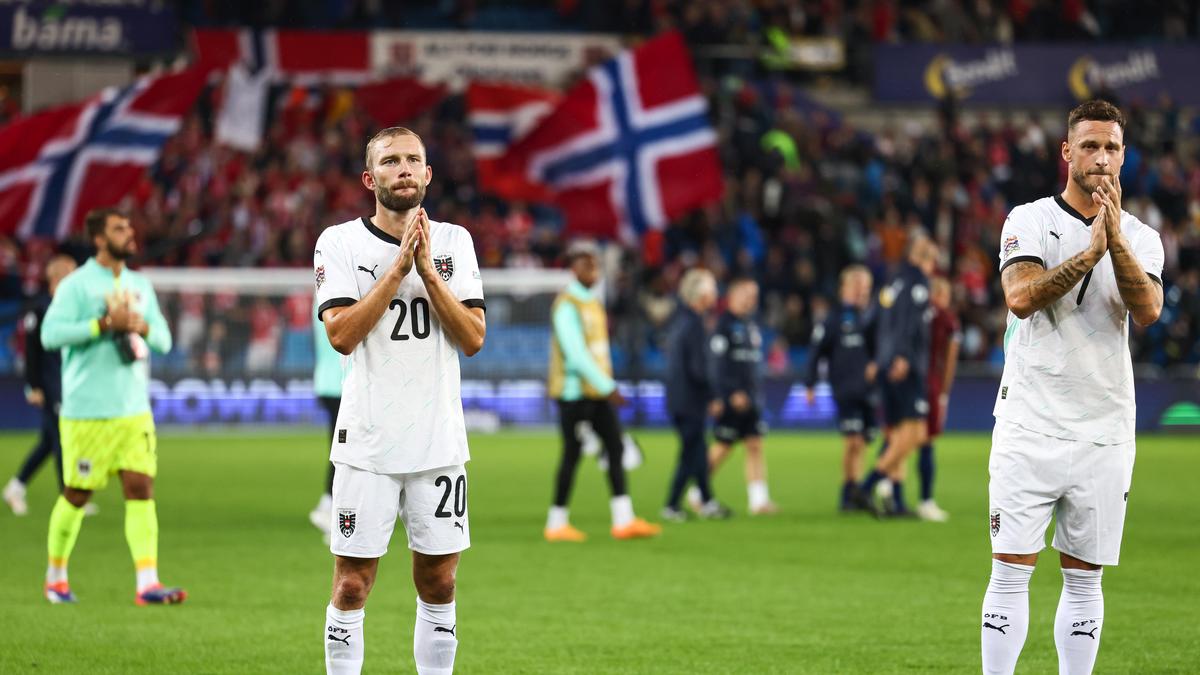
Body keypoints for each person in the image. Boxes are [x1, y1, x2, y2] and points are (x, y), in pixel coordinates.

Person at [980, 100, 1163, 675]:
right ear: (1067, 151)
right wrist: (1087, 255)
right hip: (1029, 421)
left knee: (1084, 578)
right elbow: (1021, 296)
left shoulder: (1143, 237)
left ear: (1124, 155)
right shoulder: (1028, 220)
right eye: (1089, 145)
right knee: (1011, 567)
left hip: (1104, 430)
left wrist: (1114, 241)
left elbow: (1150, 309)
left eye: (1111, 147)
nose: (1101, 158)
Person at [315, 127, 486, 675]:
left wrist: (429, 272)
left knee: (440, 581)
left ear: (429, 174)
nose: (404, 168)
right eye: (391, 161)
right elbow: (341, 333)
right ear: (371, 179)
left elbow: (473, 338)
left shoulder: (456, 242)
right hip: (367, 443)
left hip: (438, 442)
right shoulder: (338, 243)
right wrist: (397, 270)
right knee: (351, 583)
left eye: (414, 159)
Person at [40, 208, 183, 606]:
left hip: (133, 410)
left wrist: (140, 326)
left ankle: (148, 583)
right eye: (120, 228)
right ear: (99, 239)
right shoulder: (77, 285)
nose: (130, 233)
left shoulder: (139, 285)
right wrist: (102, 325)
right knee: (77, 493)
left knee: (141, 489)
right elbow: (50, 335)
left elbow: (165, 342)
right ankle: (56, 577)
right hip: (88, 413)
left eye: (130, 226)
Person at [543, 240, 660, 542]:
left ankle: (623, 520)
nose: (592, 271)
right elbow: (577, 354)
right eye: (585, 266)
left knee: (616, 448)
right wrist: (609, 387)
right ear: (573, 270)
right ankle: (556, 523)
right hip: (575, 394)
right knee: (572, 455)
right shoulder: (567, 305)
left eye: (595, 266)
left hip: (595, 393)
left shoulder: (591, 301)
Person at [855, 237, 939, 517]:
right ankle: (867, 487)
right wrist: (901, 356)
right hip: (906, 366)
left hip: (884, 365)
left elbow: (870, 323)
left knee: (898, 434)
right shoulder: (916, 283)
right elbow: (909, 322)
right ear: (923, 257)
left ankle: (897, 501)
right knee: (914, 434)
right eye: (932, 260)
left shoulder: (891, 283)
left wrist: (875, 358)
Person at [693, 277, 778, 515]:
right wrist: (725, 394)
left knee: (754, 444)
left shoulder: (751, 325)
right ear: (732, 296)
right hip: (733, 398)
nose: (752, 300)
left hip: (752, 398)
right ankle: (696, 492)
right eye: (747, 295)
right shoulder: (723, 326)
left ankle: (758, 501)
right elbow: (716, 365)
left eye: (754, 296)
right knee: (722, 447)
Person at [4, 255, 76, 516]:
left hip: (62, 383)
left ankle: (16, 486)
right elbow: (31, 353)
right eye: (71, 276)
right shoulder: (41, 309)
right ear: (57, 279)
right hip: (47, 385)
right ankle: (69, 497)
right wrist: (33, 386)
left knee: (49, 441)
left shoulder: (66, 309)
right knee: (60, 440)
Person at [803, 265, 878, 512]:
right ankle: (849, 492)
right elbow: (816, 352)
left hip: (869, 391)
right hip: (845, 388)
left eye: (866, 287)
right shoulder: (833, 318)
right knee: (852, 441)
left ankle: (854, 489)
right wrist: (810, 384)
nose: (862, 292)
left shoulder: (870, 317)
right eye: (858, 286)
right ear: (845, 288)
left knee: (864, 441)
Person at [662, 269, 731, 521]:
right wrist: (714, 395)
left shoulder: (684, 322)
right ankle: (671, 505)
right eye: (712, 288)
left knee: (698, 452)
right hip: (689, 400)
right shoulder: (694, 326)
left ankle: (707, 500)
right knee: (691, 453)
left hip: (681, 399)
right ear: (701, 294)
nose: (715, 293)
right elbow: (698, 369)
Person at [915, 277, 960, 522]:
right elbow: (950, 360)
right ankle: (926, 500)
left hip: (908, 382)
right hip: (930, 384)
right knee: (926, 440)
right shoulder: (946, 319)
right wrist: (943, 393)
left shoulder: (913, 313)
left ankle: (889, 487)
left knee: (900, 434)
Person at [308, 294, 345, 543]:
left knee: (340, 446)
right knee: (345, 450)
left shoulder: (321, 295)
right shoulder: (340, 297)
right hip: (343, 383)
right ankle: (332, 507)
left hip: (327, 382)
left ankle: (329, 503)